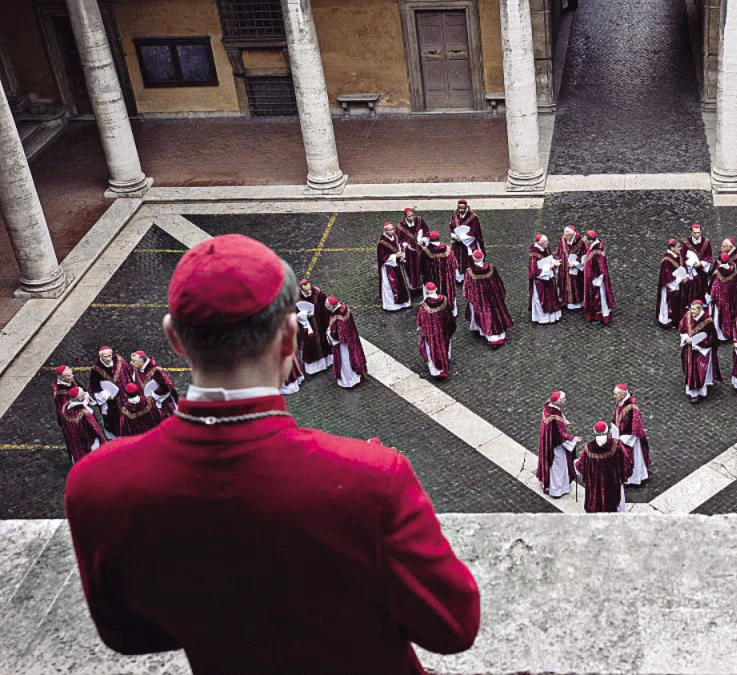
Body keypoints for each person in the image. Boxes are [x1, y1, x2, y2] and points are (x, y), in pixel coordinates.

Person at [64, 234, 479, 673]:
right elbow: (453, 627)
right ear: (290, 336)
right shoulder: (373, 478)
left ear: (175, 339)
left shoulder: (96, 485)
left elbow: (126, 634)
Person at [575, 421, 630, 513]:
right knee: (617, 507)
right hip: (613, 484)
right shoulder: (616, 445)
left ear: (594, 431)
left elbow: (580, 466)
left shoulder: (588, 448)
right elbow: (626, 462)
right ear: (607, 431)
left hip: (595, 486)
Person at [463, 251, 512, 348]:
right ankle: (499, 336)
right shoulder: (491, 268)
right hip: (494, 296)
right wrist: (500, 295)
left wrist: (470, 297)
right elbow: (498, 283)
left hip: (479, 298)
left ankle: (490, 337)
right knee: (495, 315)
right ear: (483, 257)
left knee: (483, 315)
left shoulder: (470, 272)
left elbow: (467, 287)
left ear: (473, 259)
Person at [537, 390, 578, 498]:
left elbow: (558, 415)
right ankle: (556, 490)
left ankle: (546, 483)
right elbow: (560, 436)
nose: (566, 401)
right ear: (558, 402)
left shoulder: (547, 407)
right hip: (555, 446)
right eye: (563, 399)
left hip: (546, 443)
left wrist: (564, 420)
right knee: (558, 466)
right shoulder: (555, 417)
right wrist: (573, 439)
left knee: (550, 465)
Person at [679, 300, 720, 403]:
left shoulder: (708, 321)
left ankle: (699, 392)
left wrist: (698, 345)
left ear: (700, 309)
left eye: (693, 309)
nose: (691, 311)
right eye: (691, 309)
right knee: (689, 370)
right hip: (688, 350)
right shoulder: (688, 315)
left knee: (700, 371)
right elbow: (682, 327)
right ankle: (692, 391)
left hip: (701, 351)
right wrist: (685, 338)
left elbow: (712, 338)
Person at [89, 346, 135, 435]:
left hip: (124, 395)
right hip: (110, 401)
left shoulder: (119, 360)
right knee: (113, 420)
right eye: (105, 357)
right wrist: (106, 396)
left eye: (109, 356)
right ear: (100, 357)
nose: (108, 359)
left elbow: (128, 373)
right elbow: (94, 386)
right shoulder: (96, 369)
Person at [325, 297, 368, 389]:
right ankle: (356, 377)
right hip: (352, 338)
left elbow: (339, 335)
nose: (327, 308)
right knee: (354, 358)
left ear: (332, 306)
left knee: (346, 362)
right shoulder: (344, 308)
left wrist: (329, 333)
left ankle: (349, 382)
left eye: (327, 306)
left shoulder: (338, 317)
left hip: (343, 345)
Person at [612, 384, 651, 486]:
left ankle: (635, 479)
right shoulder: (620, 402)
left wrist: (623, 439)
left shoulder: (633, 408)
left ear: (622, 394)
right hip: (620, 436)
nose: (614, 396)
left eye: (616, 394)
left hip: (630, 440)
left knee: (635, 459)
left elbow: (636, 428)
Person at [417, 282, 456, 380]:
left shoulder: (424, 306)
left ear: (426, 291)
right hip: (443, 329)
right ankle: (445, 360)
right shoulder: (444, 300)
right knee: (445, 345)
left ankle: (436, 371)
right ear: (436, 289)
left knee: (432, 350)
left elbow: (421, 321)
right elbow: (449, 315)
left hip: (432, 333)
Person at [62, 386, 107, 463]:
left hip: (75, 441)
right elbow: (95, 427)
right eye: (83, 394)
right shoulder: (85, 414)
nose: (85, 394)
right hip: (88, 440)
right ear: (80, 399)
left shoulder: (65, 408)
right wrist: (102, 439)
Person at [297, 279, 333, 374]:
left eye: (308, 287)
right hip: (306, 326)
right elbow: (293, 313)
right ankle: (314, 369)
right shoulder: (296, 298)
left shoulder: (318, 294)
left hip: (320, 323)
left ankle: (326, 363)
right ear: (301, 289)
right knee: (310, 346)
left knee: (323, 342)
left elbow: (326, 306)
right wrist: (304, 314)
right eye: (305, 289)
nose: (308, 291)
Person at [421, 230, 459, 317]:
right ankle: (452, 311)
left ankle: (436, 314)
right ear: (439, 238)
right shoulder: (448, 249)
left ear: (430, 239)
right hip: (447, 279)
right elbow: (455, 265)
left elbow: (422, 268)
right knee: (448, 293)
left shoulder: (426, 251)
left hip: (432, 279)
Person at [582, 229, 615, 324]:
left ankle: (599, 317)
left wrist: (598, 279)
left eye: (586, 239)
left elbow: (602, 266)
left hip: (596, 279)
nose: (584, 240)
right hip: (591, 277)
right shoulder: (593, 245)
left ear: (591, 240)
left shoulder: (598, 250)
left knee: (598, 298)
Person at [130, 351, 179, 416]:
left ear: (141, 362)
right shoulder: (136, 369)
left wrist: (152, 396)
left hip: (163, 404)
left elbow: (166, 387)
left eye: (133, 361)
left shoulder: (156, 370)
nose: (131, 363)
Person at [377, 222, 412, 312]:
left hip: (398, 265)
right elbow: (382, 257)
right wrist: (395, 256)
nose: (393, 231)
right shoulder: (382, 243)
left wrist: (402, 255)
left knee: (402, 284)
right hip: (389, 268)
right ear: (385, 231)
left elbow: (399, 246)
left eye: (393, 229)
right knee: (390, 287)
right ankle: (392, 306)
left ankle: (405, 303)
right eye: (390, 230)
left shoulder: (395, 237)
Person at [708, 252, 737, 341]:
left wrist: (711, 297)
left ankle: (720, 335)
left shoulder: (718, 273)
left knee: (719, 317)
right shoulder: (733, 268)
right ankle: (730, 332)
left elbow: (714, 288)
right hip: (732, 298)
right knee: (730, 314)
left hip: (721, 300)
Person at [529, 234, 562, 325]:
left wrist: (555, 262)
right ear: (540, 243)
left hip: (549, 278)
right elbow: (534, 271)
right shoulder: (533, 254)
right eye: (546, 242)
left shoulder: (546, 248)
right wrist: (549, 267)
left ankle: (553, 316)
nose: (548, 243)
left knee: (552, 296)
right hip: (541, 280)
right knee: (541, 298)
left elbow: (549, 258)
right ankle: (543, 318)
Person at [449, 199, 485, 283]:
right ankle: (459, 277)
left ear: (466, 207)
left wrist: (461, 238)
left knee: (468, 260)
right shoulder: (455, 214)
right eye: (459, 208)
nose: (460, 210)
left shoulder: (473, 217)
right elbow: (451, 226)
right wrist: (454, 236)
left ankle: (469, 277)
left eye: (462, 208)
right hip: (457, 244)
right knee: (456, 259)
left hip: (468, 243)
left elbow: (473, 231)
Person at [681, 223, 714, 307]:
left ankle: (703, 303)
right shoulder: (685, 243)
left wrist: (701, 264)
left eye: (698, 232)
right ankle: (690, 304)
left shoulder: (706, 242)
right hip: (691, 270)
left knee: (703, 286)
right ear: (691, 232)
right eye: (695, 233)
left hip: (702, 269)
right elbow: (682, 256)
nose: (697, 234)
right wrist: (690, 263)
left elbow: (709, 256)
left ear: (701, 232)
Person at [657, 239, 689, 329]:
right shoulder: (666, 260)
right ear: (672, 248)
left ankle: (678, 319)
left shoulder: (679, 255)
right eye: (678, 247)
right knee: (669, 304)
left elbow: (684, 266)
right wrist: (679, 280)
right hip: (671, 286)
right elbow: (666, 276)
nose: (680, 248)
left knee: (679, 302)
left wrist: (686, 276)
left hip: (680, 285)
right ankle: (667, 321)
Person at [396, 208, 428, 291]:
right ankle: (412, 287)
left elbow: (426, 230)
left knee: (422, 266)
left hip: (420, 249)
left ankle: (422, 285)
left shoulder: (419, 220)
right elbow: (398, 240)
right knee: (411, 269)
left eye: (412, 215)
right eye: (409, 217)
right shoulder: (400, 227)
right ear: (405, 216)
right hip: (409, 252)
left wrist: (423, 240)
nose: (411, 218)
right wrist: (406, 245)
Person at [557, 226, 586, 310]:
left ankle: (576, 303)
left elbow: (584, 256)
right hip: (564, 266)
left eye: (566, 235)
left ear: (571, 235)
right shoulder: (563, 238)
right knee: (563, 283)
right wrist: (559, 260)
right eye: (564, 234)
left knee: (575, 285)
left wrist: (575, 264)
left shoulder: (581, 242)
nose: (564, 236)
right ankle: (565, 301)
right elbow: (560, 250)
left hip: (575, 268)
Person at [52, 365, 78, 430]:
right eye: (69, 375)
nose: (72, 375)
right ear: (63, 378)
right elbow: (66, 408)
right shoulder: (60, 393)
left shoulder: (70, 378)